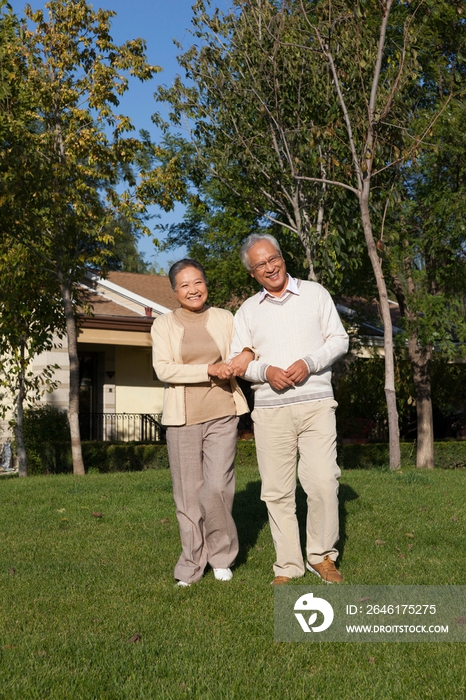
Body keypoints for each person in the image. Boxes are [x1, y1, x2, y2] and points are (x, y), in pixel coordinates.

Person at [229, 234, 349, 585]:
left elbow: (339, 339)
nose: (270, 267)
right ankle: (289, 565)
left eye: (273, 258)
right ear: (252, 273)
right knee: (277, 491)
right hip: (270, 410)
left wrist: (310, 362)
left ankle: (322, 557)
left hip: (316, 404)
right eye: (260, 265)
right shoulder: (248, 310)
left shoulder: (315, 294)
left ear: (282, 257)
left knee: (324, 481)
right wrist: (265, 371)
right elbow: (239, 362)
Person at [151, 259, 251, 587]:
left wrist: (244, 357)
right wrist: (208, 369)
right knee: (188, 494)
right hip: (183, 420)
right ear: (174, 291)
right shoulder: (163, 325)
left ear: (206, 284)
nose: (193, 289)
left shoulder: (225, 318)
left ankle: (221, 556)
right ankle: (191, 565)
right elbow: (164, 370)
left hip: (223, 412)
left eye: (198, 282)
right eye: (184, 285)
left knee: (218, 487)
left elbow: (246, 349)